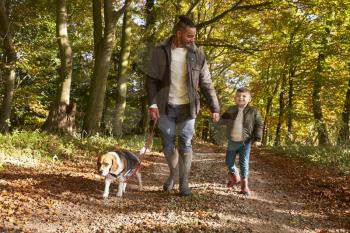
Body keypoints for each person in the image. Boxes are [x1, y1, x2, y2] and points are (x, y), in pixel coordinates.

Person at [145, 15, 220, 196]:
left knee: (185, 144)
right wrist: (152, 104)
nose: (192, 39)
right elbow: (151, 79)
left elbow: (206, 83)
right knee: (168, 146)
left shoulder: (198, 54)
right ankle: (174, 173)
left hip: (188, 107)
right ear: (178, 34)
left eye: (194, 36)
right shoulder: (160, 51)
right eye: (189, 36)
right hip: (165, 106)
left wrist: (215, 107)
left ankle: (184, 182)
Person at [219, 87, 263, 196]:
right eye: (238, 96)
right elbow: (223, 120)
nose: (241, 98)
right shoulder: (231, 109)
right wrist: (217, 119)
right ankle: (235, 176)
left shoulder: (253, 111)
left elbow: (259, 125)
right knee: (229, 162)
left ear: (249, 99)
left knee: (244, 163)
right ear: (235, 98)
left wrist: (257, 139)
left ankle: (244, 185)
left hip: (245, 142)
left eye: (244, 96)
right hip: (232, 141)